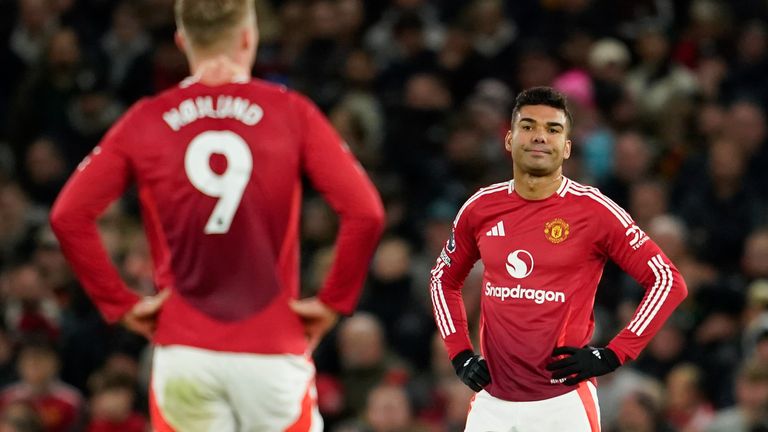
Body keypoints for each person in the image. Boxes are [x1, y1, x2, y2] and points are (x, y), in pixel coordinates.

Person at [49, 0, 386, 430]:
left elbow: (68, 216)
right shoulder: (291, 112)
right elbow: (366, 213)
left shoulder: (146, 119)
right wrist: (332, 301)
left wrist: (120, 303)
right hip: (272, 350)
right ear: (249, 37)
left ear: (181, 40)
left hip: (185, 350)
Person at [429, 86, 687, 431]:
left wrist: (614, 353)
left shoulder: (595, 212)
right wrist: (460, 354)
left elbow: (668, 281)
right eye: (529, 126)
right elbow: (442, 279)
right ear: (509, 139)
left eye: (552, 130)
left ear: (566, 147)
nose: (539, 137)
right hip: (491, 402)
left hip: (562, 405)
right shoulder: (480, 208)